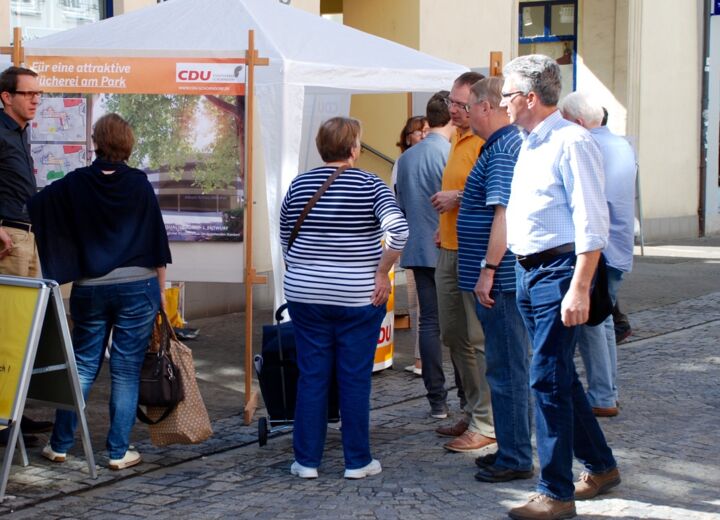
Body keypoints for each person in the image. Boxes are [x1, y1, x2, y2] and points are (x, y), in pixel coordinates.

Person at [502, 55, 619, 520]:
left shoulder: (572, 141)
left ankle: (556, 493)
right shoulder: (528, 141)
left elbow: (593, 222)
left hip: (559, 271)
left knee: (546, 378)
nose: (504, 103)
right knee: (559, 378)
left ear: (529, 98)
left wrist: (580, 288)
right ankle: (603, 467)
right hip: (527, 271)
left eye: (509, 95)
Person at [28, 113, 172, 470]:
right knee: (125, 370)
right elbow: (157, 239)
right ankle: (118, 452)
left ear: (95, 141)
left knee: (82, 365)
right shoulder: (139, 184)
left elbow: (33, 207)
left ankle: (59, 444)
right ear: (127, 142)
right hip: (138, 287)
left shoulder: (75, 183)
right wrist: (161, 290)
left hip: (90, 288)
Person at [280, 116, 408, 480]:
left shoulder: (299, 185)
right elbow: (398, 231)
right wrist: (381, 272)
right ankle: (356, 461)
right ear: (353, 149)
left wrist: (306, 271)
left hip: (305, 294)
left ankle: (306, 461)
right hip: (356, 294)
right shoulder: (370, 184)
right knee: (353, 378)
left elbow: (285, 235)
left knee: (312, 375)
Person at [457, 77, 533, 483]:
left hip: (500, 282)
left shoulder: (503, 148)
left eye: (468, 107)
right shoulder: (500, 145)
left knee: (507, 370)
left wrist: (488, 269)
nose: (465, 115)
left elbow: (503, 214)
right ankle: (510, 448)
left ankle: (516, 456)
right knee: (504, 367)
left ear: (486, 107)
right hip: (496, 280)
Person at [559, 92, 637, 418]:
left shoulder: (589, 145)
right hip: (617, 246)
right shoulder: (620, 144)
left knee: (592, 325)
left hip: (600, 249)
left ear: (577, 122)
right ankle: (608, 391)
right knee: (601, 323)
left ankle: (603, 395)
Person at [431, 71, 496, 453]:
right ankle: (472, 410)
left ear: (477, 105)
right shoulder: (457, 136)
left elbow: (494, 193)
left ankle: (487, 421)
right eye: (451, 103)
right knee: (452, 335)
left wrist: (456, 197)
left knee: (475, 338)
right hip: (449, 246)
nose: (452, 110)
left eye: (459, 104)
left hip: (473, 251)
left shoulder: (486, 141)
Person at [0, 65, 54, 445]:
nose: (36, 99)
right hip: (9, 238)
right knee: (5, 329)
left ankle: (14, 410)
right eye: (29, 93)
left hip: (30, 235)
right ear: (7, 97)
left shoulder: (22, 132)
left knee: (22, 331)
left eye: (39, 93)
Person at [396, 91, 453, 419]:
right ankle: (464, 396)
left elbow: (400, 205)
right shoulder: (451, 153)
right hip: (448, 249)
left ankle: (437, 400)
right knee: (458, 326)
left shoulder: (407, 158)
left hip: (417, 247)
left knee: (428, 323)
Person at [392, 115, 429, 377]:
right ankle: (420, 359)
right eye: (419, 132)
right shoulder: (402, 163)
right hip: (413, 239)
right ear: (408, 137)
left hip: (422, 239)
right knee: (417, 304)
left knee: (423, 306)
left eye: (427, 130)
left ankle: (421, 359)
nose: (424, 135)